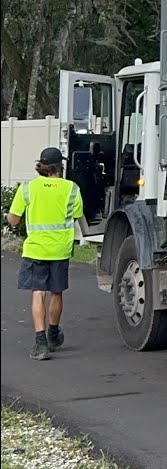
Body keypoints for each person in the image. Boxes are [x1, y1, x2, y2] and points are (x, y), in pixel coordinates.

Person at [5, 147, 85, 361]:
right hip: (60, 249)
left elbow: (13, 219)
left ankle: (40, 344)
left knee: (38, 293)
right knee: (56, 292)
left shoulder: (28, 188)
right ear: (60, 166)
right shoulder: (72, 189)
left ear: (40, 165)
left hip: (35, 249)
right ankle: (53, 333)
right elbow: (77, 215)